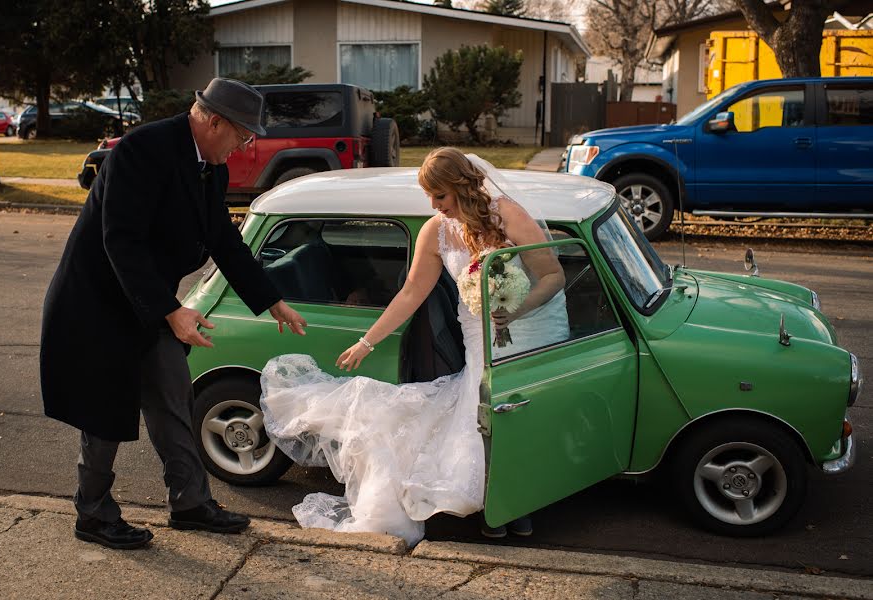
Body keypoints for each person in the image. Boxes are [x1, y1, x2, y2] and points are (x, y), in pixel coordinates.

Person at [40, 78, 307, 550]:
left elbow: (224, 241)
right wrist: (170, 309)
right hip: (98, 303)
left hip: (150, 304)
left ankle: (190, 503)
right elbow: (120, 241)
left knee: (172, 394)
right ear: (213, 120)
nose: (246, 146)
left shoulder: (211, 166)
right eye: (243, 135)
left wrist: (271, 298)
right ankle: (94, 513)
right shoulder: (143, 150)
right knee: (104, 412)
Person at [259, 148, 569, 545]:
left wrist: (516, 309)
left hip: (528, 331)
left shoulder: (508, 214)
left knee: (523, 415)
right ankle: (497, 506)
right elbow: (410, 293)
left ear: (461, 187)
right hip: (479, 338)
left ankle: (521, 502)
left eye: (440, 196)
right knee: (486, 420)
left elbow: (552, 276)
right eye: (430, 197)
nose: (434, 206)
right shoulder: (436, 232)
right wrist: (366, 342)